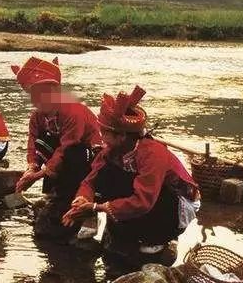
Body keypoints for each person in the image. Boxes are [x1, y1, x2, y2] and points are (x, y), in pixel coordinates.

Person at [62, 86, 200, 261]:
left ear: (121, 136)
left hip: (175, 203)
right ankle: (123, 230)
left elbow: (144, 201)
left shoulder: (152, 154)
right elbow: (90, 182)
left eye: (105, 133)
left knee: (159, 196)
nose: (101, 136)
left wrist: (98, 207)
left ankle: (160, 237)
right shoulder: (111, 151)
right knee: (106, 173)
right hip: (146, 197)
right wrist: (82, 200)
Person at [10, 56, 104, 242]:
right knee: (43, 142)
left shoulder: (72, 111)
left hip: (88, 159)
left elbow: (67, 146)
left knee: (73, 151)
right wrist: (31, 167)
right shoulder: (37, 116)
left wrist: (37, 176)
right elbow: (32, 142)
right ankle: (58, 195)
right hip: (63, 161)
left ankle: (89, 213)